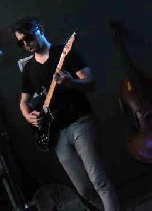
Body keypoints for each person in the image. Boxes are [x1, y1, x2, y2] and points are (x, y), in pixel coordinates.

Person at [12, 16, 120, 211]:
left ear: (40, 29)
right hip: (56, 134)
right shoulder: (28, 69)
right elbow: (23, 102)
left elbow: (91, 82)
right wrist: (28, 115)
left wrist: (72, 83)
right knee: (84, 189)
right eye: (20, 42)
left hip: (80, 121)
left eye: (27, 37)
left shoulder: (65, 52)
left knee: (99, 180)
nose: (25, 43)